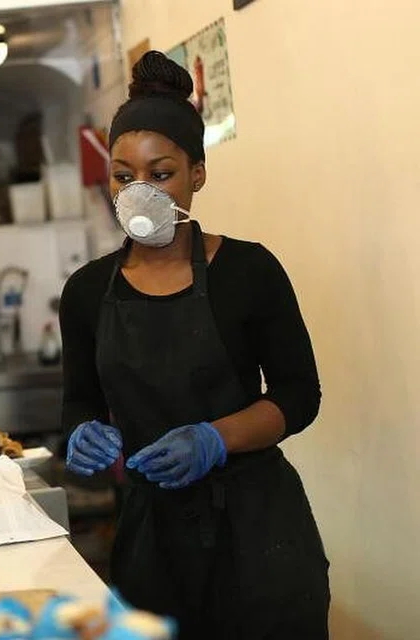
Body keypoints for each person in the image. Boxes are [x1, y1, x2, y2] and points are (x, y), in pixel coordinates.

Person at [60, 51, 329, 639]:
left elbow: (299, 395)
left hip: (259, 536)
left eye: (161, 174)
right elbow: (78, 399)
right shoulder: (85, 292)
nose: (138, 192)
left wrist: (216, 438)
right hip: (152, 541)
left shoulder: (249, 271)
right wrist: (83, 432)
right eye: (123, 175)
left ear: (197, 174)